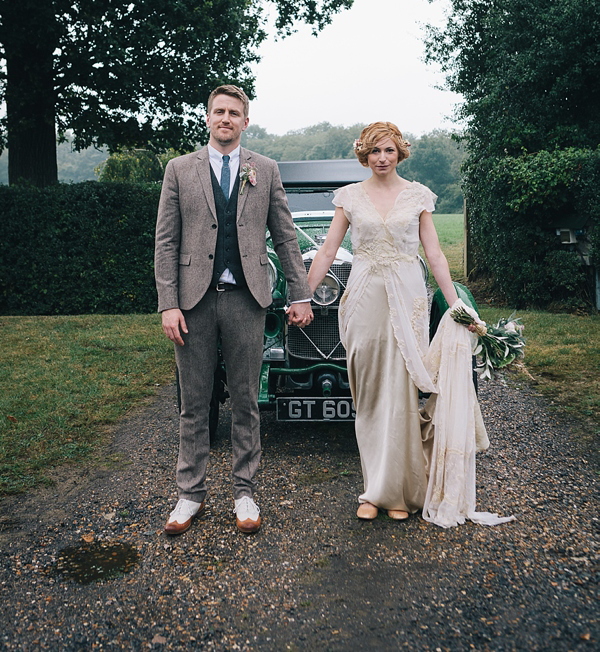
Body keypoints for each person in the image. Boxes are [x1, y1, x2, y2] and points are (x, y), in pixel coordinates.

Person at [306, 121, 487, 525]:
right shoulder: (349, 197)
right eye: (374, 152)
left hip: (408, 301)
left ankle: (401, 492)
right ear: (364, 156)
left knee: (402, 395)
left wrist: (457, 306)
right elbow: (327, 251)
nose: (381, 158)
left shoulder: (419, 195)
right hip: (364, 301)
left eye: (388, 150)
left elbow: (436, 255)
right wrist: (302, 295)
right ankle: (374, 491)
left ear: (399, 152)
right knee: (370, 396)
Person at [155, 84, 313, 536]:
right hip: (193, 301)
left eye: (234, 113)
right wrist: (168, 303)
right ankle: (189, 495)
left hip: (248, 299)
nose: (225, 118)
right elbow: (166, 241)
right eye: (218, 111)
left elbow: (284, 236)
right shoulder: (179, 170)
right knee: (194, 402)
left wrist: (299, 293)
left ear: (246, 121)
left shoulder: (264, 169)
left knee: (246, 400)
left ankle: (245, 490)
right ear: (207, 118)